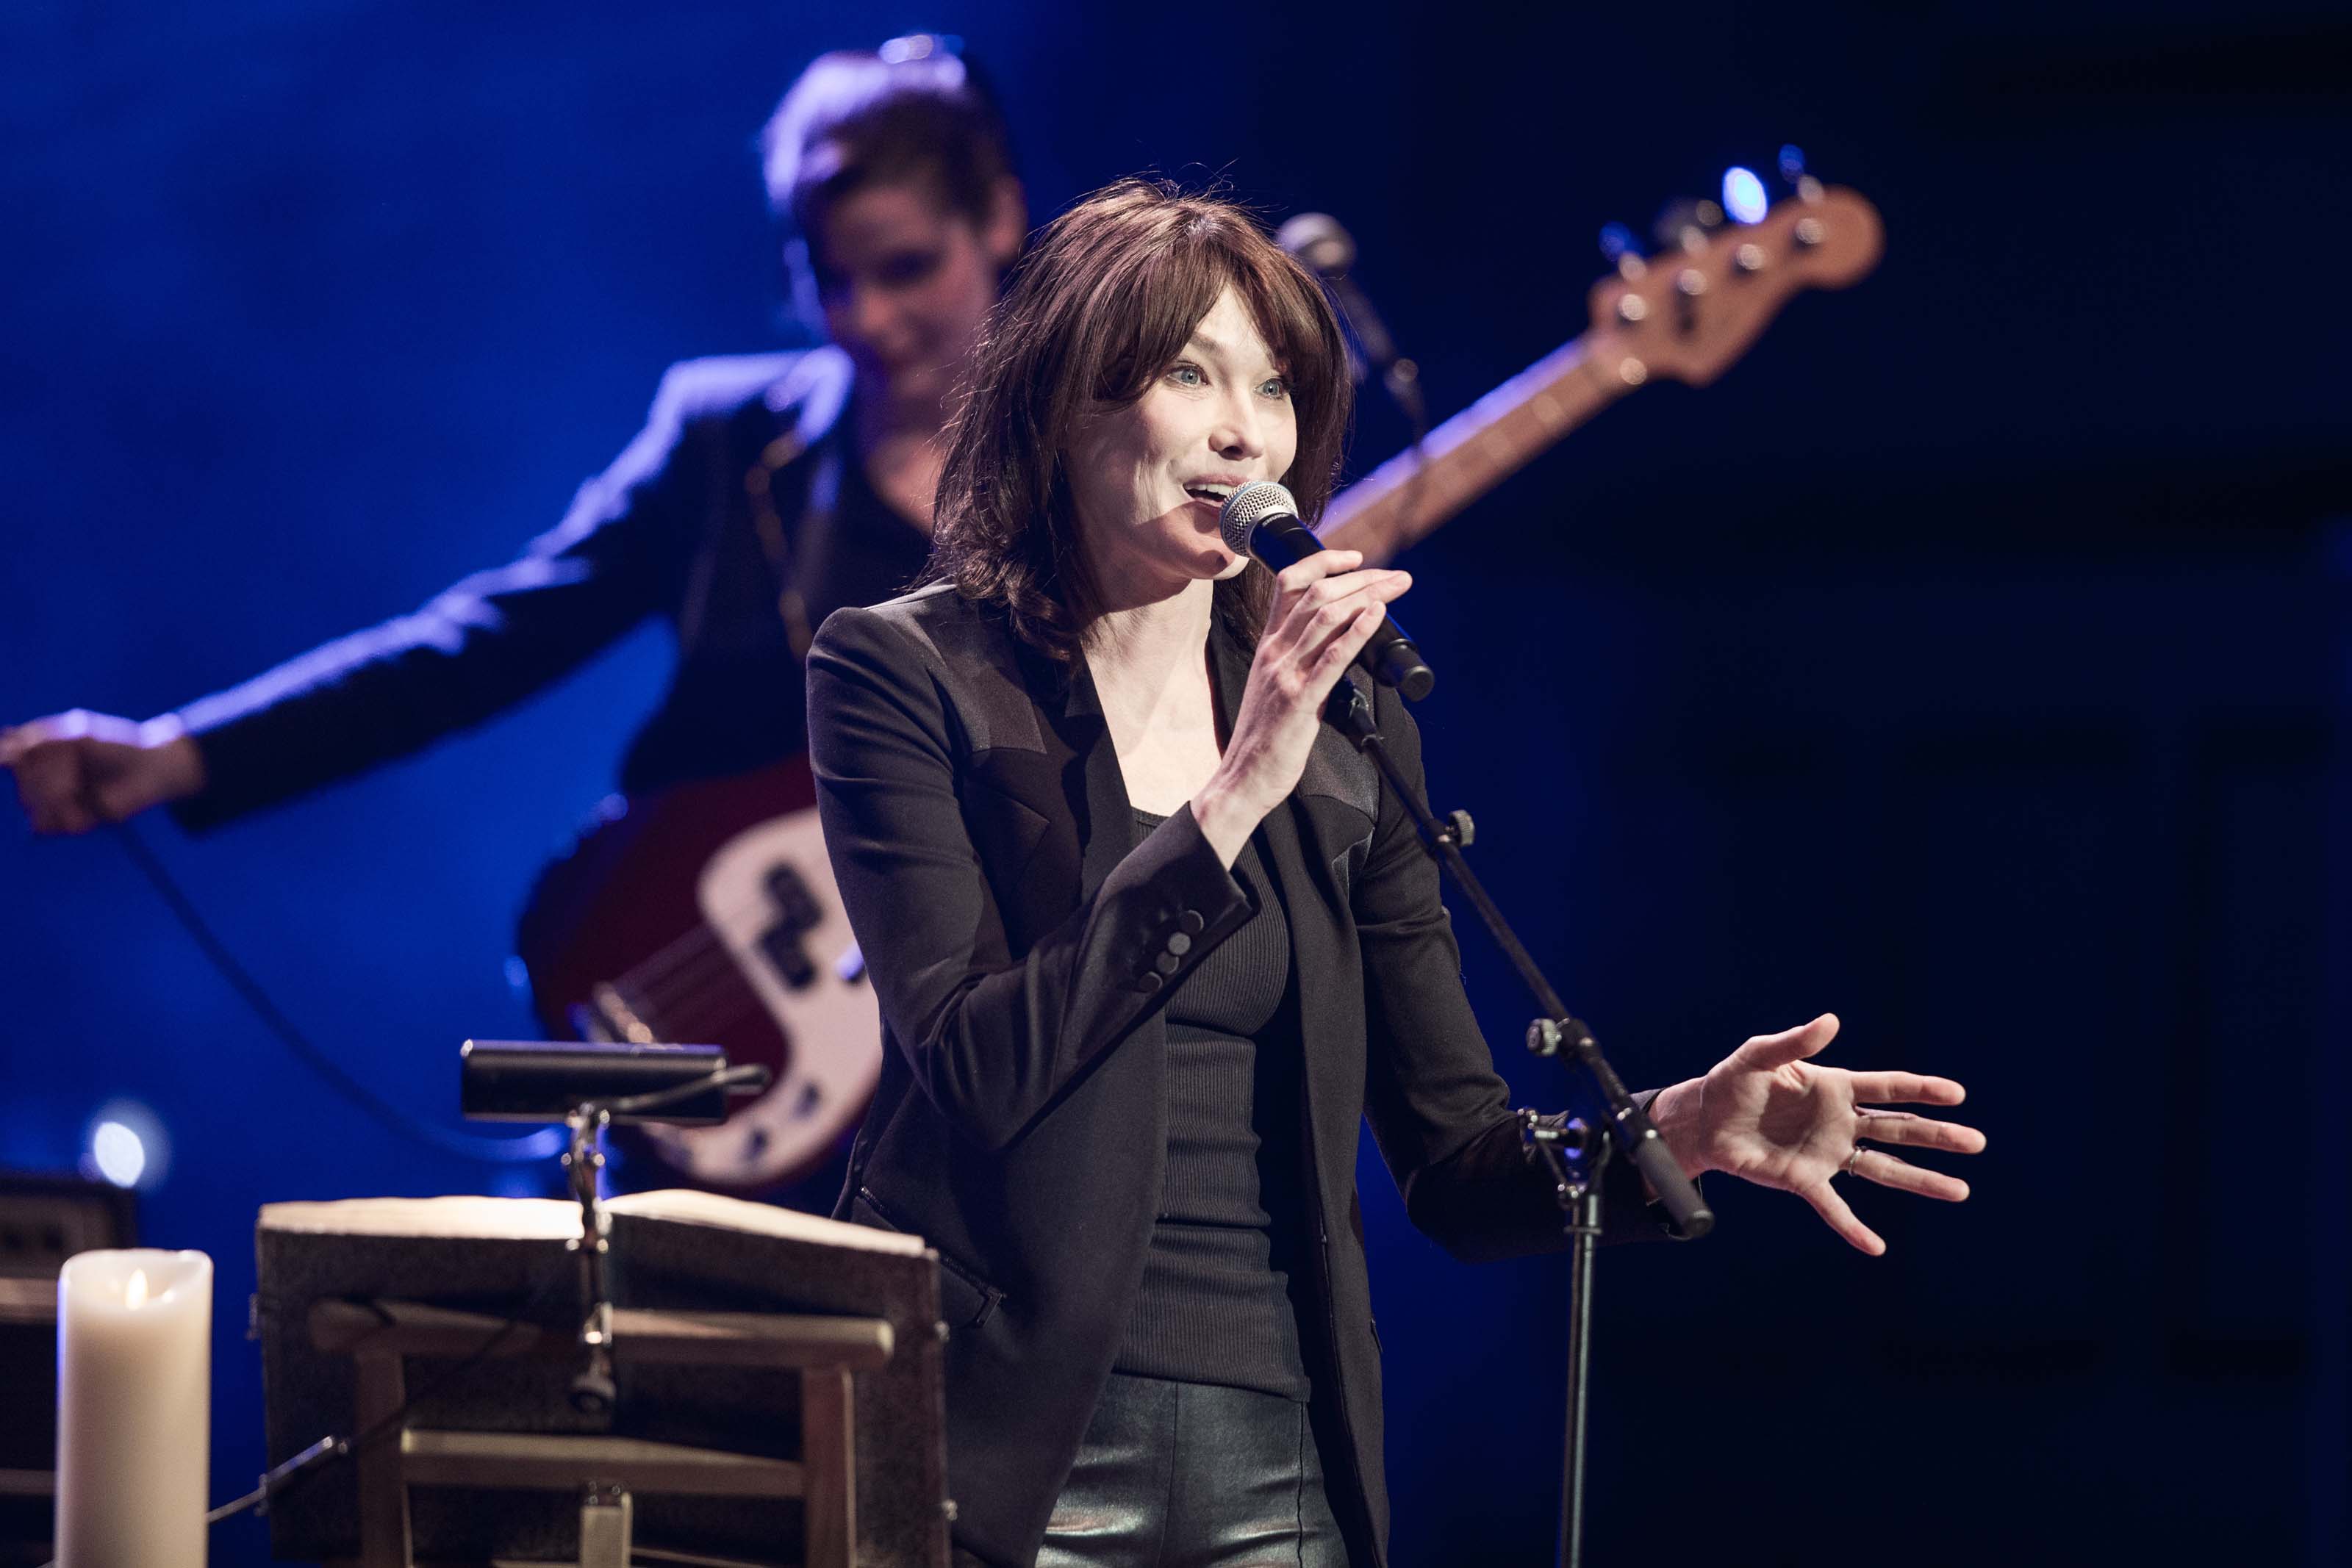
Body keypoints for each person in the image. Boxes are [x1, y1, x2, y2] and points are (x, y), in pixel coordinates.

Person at [806, 179, 1987, 1568]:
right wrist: (1233, 789)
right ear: (1068, 397)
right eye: (1192, 373)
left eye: (1279, 389)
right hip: (1000, 1452)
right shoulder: (910, 671)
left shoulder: (1345, 721)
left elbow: (1457, 1161)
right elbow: (982, 1065)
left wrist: (1678, 1127)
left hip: (1279, 1458)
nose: (1247, 431)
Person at [1, 35, 1023, 838]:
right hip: (735, 1017)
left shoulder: (1100, 469)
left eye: (907, 268)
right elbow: (477, 647)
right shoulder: (723, 444)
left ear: (1001, 219)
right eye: (830, 279)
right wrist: (180, 752)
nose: (866, 320)